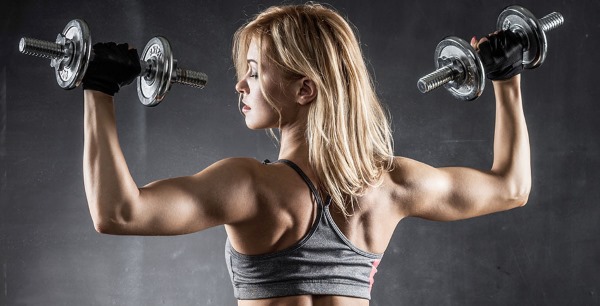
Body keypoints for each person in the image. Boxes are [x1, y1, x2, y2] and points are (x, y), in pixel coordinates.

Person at [81, 3, 531, 306]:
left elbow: (118, 213)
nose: (241, 85)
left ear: (305, 88)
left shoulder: (249, 186)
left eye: (254, 73)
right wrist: (506, 77)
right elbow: (512, 188)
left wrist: (99, 88)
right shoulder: (392, 186)